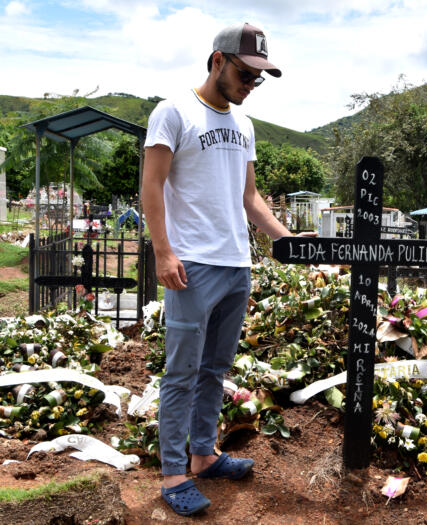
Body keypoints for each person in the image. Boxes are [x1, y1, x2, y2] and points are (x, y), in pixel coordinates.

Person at [141, 22, 315, 517]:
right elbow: (151, 186)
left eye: (259, 77)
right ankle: (174, 472)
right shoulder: (173, 112)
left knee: (215, 369)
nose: (250, 85)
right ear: (217, 60)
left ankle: (202, 455)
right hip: (192, 265)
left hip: (237, 262)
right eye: (245, 73)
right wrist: (163, 251)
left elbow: (249, 197)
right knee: (182, 372)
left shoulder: (243, 125)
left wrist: (283, 237)